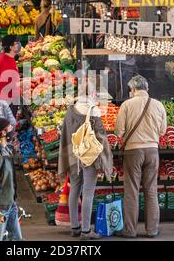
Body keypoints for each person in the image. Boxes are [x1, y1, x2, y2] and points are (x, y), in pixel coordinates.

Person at [114, 75, 167, 239]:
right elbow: (163, 131)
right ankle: (152, 230)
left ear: (133, 89)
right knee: (151, 190)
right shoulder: (158, 105)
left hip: (133, 151)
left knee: (131, 191)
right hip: (152, 151)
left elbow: (118, 131)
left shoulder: (127, 105)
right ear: (147, 89)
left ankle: (130, 230)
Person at [58, 92, 113, 240]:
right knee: (88, 192)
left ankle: (75, 227)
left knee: (74, 189)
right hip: (89, 156)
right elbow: (100, 134)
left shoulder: (70, 110)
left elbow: (65, 133)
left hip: (73, 155)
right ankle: (86, 231)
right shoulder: (93, 111)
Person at [0, 35, 20, 114]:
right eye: (16, 43)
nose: (19, 45)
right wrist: (23, 83)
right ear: (10, 47)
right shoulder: (6, 61)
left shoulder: (7, 57)